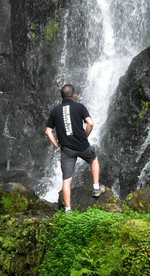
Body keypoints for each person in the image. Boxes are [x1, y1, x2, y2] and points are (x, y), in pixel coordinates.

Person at [45, 84, 105, 213]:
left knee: (67, 179)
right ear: (74, 95)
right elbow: (91, 123)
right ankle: (96, 187)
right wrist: (85, 136)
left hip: (67, 150)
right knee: (93, 159)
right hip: (82, 146)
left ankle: (68, 209)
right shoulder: (80, 107)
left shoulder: (55, 111)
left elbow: (48, 131)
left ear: (61, 96)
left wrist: (57, 146)